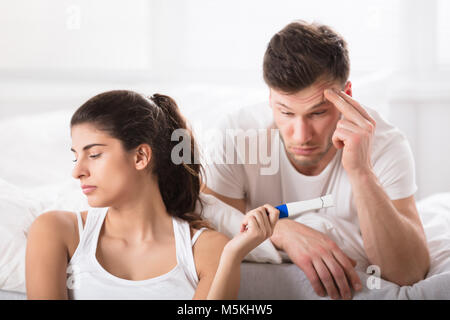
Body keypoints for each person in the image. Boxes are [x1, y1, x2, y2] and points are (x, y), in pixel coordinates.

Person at [202, 20, 430, 300]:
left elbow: (409, 272)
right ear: (270, 98)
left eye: (317, 113)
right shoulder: (235, 136)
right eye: (285, 113)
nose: (301, 135)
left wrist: (360, 171)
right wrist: (280, 230)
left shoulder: (384, 143)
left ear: (345, 96)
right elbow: (211, 234)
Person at [25, 90, 279, 300]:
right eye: (75, 156)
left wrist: (233, 255)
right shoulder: (56, 232)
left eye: (93, 155)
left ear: (140, 157)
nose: (77, 171)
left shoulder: (209, 250)